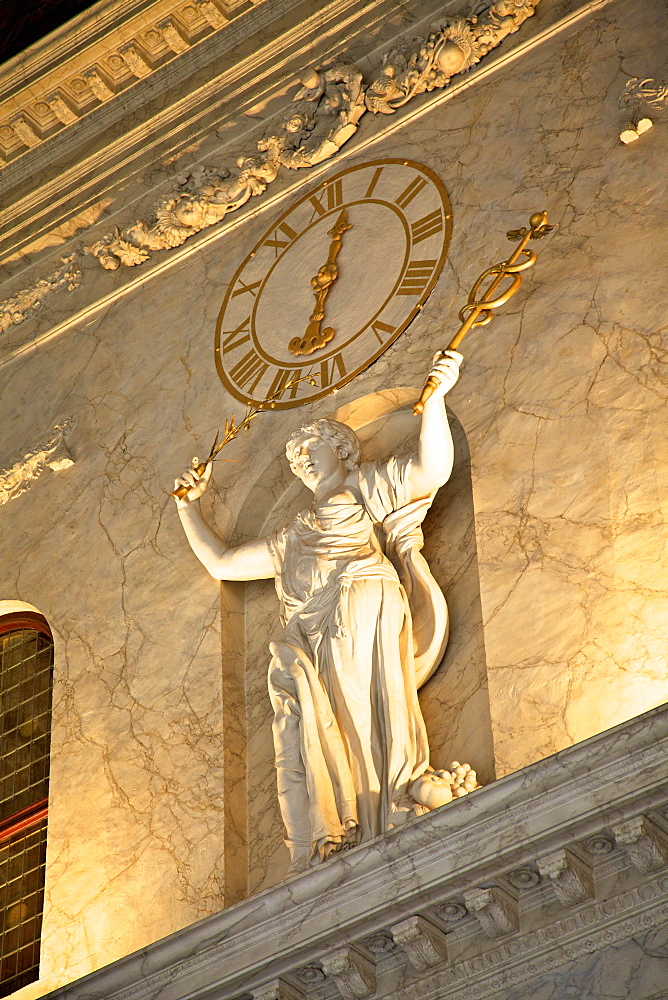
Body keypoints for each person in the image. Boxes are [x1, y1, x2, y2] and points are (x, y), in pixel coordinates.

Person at [174, 352, 462, 873]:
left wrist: (437, 399)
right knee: (332, 716)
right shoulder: (291, 535)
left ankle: (398, 793)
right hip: (312, 627)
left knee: (370, 697)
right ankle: (358, 814)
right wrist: (187, 507)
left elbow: (430, 469)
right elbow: (222, 563)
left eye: (311, 449)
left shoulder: (362, 486)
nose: (302, 461)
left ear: (343, 451)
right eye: (295, 458)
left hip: (361, 597)